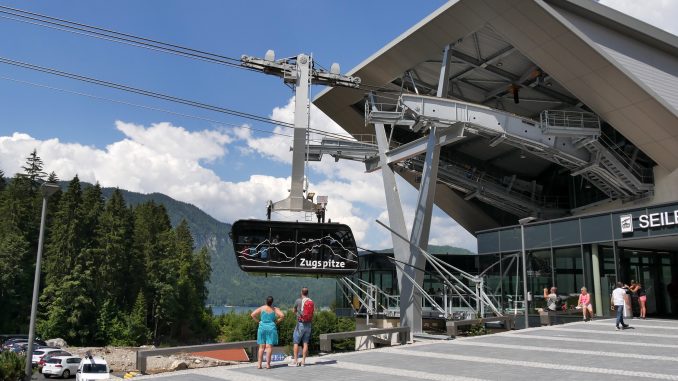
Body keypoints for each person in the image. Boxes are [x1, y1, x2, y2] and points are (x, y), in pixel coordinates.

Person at [251, 296, 284, 369]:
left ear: (266, 301)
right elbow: (282, 315)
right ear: (272, 302)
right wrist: (276, 322)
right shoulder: (274, 309)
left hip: (262, 327)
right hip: (271, 328)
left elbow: (252, 314)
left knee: (261, 347)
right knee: (269, 347)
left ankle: (259, 365)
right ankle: (268, 365)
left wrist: (258, 321)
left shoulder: (262, 308)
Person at [290, 287, 314, 367]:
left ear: (301, 292)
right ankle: (303, 361)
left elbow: (294, 311)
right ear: (307, 293)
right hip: (309, 324)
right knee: (305, 342)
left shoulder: (298, 300)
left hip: (300, 324)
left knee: (296, 342)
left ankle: (295, 361)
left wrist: (297, 313)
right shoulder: (310, 301)